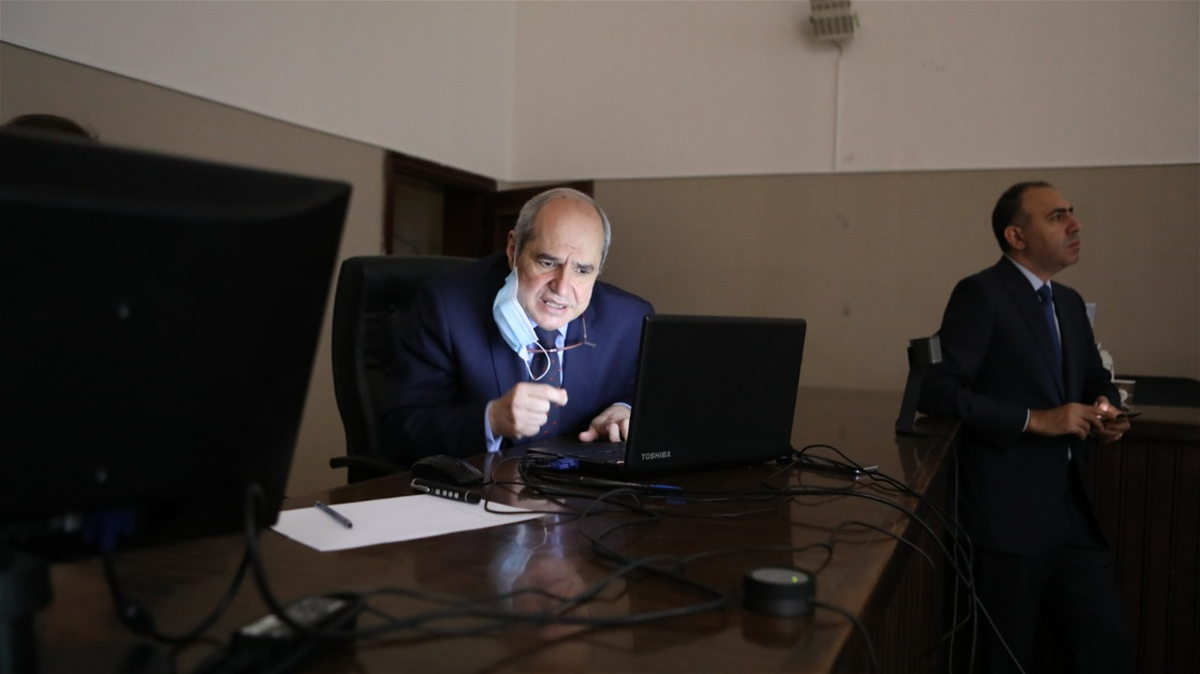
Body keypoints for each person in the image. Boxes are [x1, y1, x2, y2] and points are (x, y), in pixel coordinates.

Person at [919, 181, 1133, 673]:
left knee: (1108, 647)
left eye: (1071, 213)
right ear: (1016, 237)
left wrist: (1107, 408)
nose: (1075, 225)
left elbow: (1096, 379)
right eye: (1057, 217)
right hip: (1006, 518)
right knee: (1005, 659)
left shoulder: (1070, 303)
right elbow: (939, 391)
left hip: (1072, 512)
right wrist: (1035, 420)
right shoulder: (982, 294)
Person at [383, 187, 653, 463]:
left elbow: (649, 397)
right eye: (547, 262)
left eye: (582, 270)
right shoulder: (447, 307)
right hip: (480, 483)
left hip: (581, 485)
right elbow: (401, 428)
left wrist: (625, 409)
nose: (562, 288)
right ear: (513, 250)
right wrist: (491, 420)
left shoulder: (629, 320)